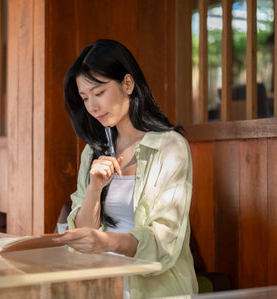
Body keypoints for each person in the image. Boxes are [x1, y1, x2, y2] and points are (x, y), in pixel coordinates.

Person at [53, 39, 198, 298]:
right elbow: (82, 237)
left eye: (99, 93)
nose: (92, 106)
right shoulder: (93, 151)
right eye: (85, 98)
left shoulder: (170, 147)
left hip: (159, 291)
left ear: (128, 84)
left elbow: (165, 238)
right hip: (106, 288)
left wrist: (109, 243)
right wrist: (94, 189)